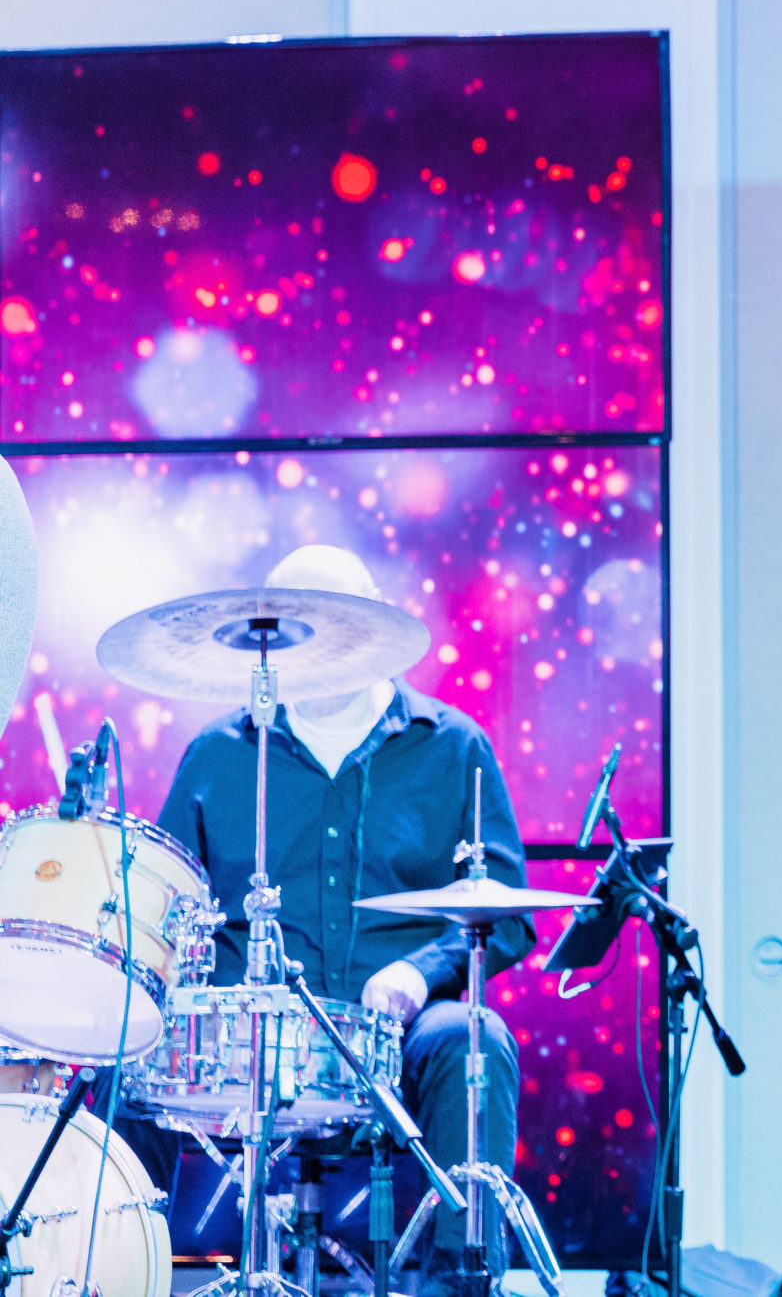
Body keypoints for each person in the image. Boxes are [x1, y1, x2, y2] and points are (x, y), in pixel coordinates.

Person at [154, 543, 534, 1281]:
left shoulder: (454, 747)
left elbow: (509, 914)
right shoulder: (217, 753)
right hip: (248, 1033)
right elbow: (165, 909)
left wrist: (421, 973)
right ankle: (115, 1263)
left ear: (374, 627)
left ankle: (460, 1279)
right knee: (128, 1052)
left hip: (402, 1031)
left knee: (474, 1040)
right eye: (296, 631)